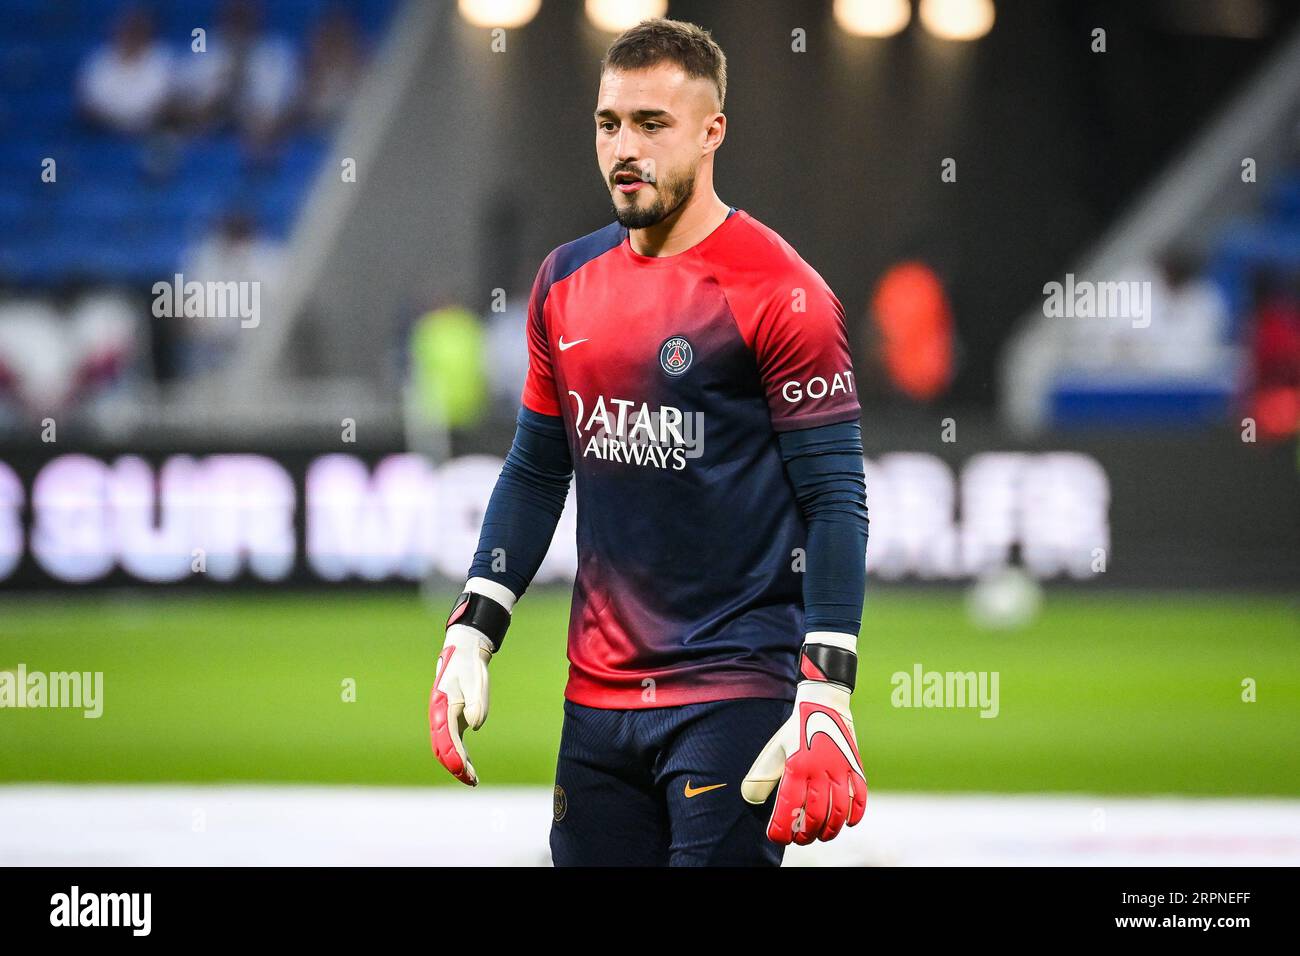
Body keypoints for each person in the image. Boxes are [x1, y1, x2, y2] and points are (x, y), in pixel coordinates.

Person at [427, 18, 869, 866]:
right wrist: (474, 630)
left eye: (651, 124)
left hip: (731, 697)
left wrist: (829, 691)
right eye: (608, 123)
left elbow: (835, 499)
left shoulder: (785, 294)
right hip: (594, 708)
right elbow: (535, 468)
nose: (624, 147)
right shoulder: (563, 282)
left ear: (712, 133)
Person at [77, 6, 173, 134]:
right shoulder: (98, 61)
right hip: (104, 131)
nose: (131, 35)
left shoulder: (163, 59)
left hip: (152, 128)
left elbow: (165, 103)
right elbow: (90, 105)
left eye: (137, 30)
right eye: (127, 30)